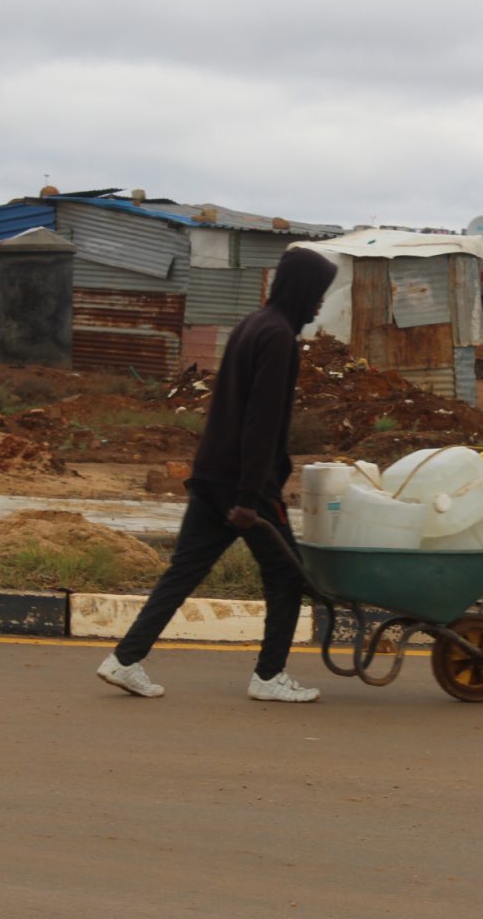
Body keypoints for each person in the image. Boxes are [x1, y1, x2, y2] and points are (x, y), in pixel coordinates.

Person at [97, 245, 339, 702]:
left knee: (183, 572)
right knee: (287, 576)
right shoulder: (279, 337)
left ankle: (125, 660)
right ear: (304, 289)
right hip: (245, 484)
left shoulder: (252, 324)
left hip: (211, 472)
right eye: (319, 292)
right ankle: (269, 677)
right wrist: (250, 497)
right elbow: (261, 422)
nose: (321, 303)